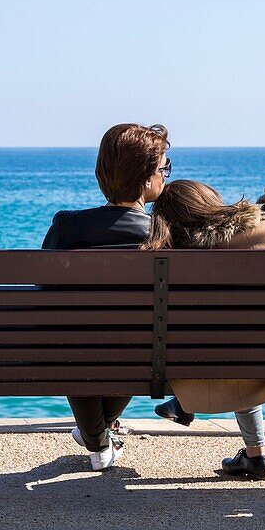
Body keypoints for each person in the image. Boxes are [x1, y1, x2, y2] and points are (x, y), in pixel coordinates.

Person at [144, 180, 265, 480]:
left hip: (244, 362)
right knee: (244, 340)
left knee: (231, 345)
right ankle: (250, 452)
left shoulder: (202, 255)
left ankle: (186, 404)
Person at [41, 122, 171, 470]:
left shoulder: (67, 227)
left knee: (77, 340)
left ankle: (96, 440)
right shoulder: (162, 238)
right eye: (164, 168)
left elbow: (42, 296)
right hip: (143, 356)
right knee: (139, 336)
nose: (166, 176)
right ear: (146, 180)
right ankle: (96, 440)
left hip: (71, 353)